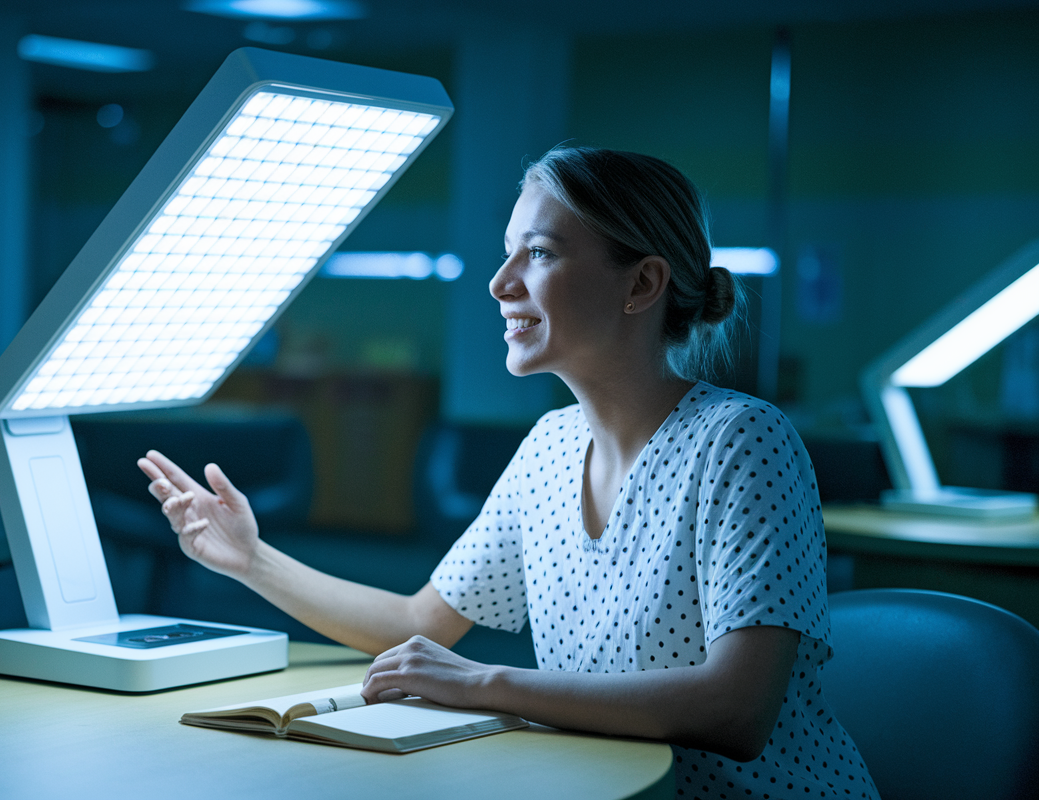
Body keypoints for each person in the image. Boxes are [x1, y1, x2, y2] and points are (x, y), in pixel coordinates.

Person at [139, 147, 879, 799]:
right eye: (506, 253)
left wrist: (488, 685)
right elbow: (416, 625)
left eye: (541, 254)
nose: (499, 283)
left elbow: (734, 710)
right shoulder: (549, 448)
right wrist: (251, 559)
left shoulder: (742, 441)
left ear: (642, 283)